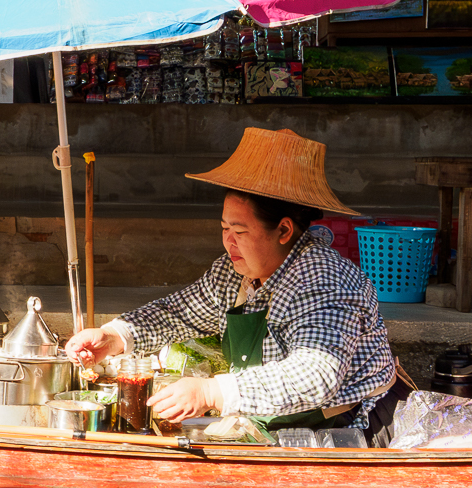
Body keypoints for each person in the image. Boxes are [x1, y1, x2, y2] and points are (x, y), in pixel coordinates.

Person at [62, 126, 407, 435]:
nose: (228, 242)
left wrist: (212, 392)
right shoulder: (233, 272)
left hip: (352, 430)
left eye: (239, 232)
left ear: (284, 230)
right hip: (282, 427)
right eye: (224, 228)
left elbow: (316, 374)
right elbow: (178, 313)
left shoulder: (324, 279)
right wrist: (114, 336)